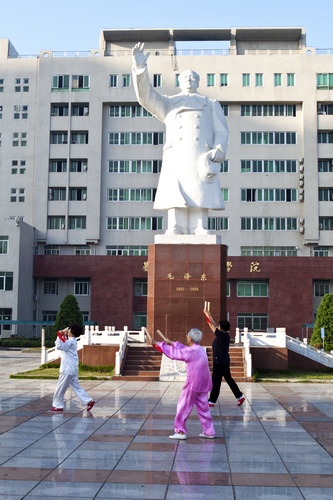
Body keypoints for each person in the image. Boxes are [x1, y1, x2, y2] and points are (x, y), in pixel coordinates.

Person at [132, 42, 229, 235]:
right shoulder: (169, 103)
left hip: (201, 153)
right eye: (185, 77)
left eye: (193, 77)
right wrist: (140, 68)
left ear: (198, 82)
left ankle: (200, 225)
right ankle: (176, 225)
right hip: (177, 154)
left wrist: (219, 149)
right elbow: (146, 97)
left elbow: (222, 130)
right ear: (180, 81)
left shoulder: (210, 104)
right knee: (177, 189)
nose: (189, 79)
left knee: (200, 189)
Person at [146, 328, 215, 439]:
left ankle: (180, 432)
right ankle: (209, 431)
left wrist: (157, 344)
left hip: (193, 384)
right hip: (204, 384)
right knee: (204, 409)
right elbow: (185, 349)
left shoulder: (190, 352)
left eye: (187, 335)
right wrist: (172, 343)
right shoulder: (200, 349)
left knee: (183, 407)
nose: (186, 337)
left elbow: (174, 353)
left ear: (190, 338)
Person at [204, 308, 245, 407]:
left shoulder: (221, 335)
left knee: (216, 381)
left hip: (219, 362)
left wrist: (207, 315)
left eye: (219, 326)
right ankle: (239, 396)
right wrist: (208, 315)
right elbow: (213, 325)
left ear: (221, 328)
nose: (217, 327)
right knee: (228, 379)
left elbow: (212, 326)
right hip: (224, 361)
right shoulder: (224, 335)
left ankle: (212, 400)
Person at [51, 324, 95, 412]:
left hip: (67, 369)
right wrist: (62, 334)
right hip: (72, 369)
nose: (68, 331)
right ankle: (88, 401)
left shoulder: (70, 342)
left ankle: (58, 405)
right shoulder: (72, 341)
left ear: (71, 331)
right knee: (76, 387)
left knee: (60, 388)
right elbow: (64, 342)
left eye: (69, 329)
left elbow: (59, 346)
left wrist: (59, 334)